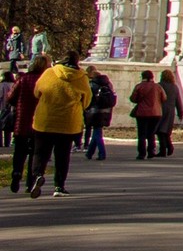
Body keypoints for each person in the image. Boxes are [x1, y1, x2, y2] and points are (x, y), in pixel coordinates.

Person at [28, 51, 91, 197]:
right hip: (68, 123)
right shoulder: (81, 77)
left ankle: (37, 175)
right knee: (62, 155)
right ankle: (59, 186)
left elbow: (37, 92)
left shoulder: (49, 73)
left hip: (45, 121)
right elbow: (86, 101)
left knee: (40, 153)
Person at [7, 56, 43, 191]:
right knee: (35, 152)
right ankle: (31, 181)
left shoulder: (23, 79)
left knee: (19, 151)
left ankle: (16, 175)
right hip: (39, 121)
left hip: (22, 120)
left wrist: (17, 105)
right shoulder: (44, 81)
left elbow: (10, 97)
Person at [82, 66, 116, 160]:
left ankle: (102, 153)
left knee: (97, 133)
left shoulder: (92, 85)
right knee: (97, 130)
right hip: (106, 110)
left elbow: (88, 98)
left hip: (94, 111)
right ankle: (89, 153)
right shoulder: (108, 84)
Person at [130, 70, 165, 160]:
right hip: (156, 113)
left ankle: (141, 153)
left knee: (142, 133)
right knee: (151, 133)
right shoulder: (158, 87)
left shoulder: (139, 86)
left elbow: (133, 98)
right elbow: (164, 98)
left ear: (143, 77)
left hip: (142, 113)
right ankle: (151, 151)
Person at [156, 70, 183, 157]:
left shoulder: (159, 85)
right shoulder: (174, 87)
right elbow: (178, 101)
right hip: (170, 111)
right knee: (166, 130)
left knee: (160, 130)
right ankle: (169, 147)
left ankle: (164, 149)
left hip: (161, 110)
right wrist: (180, 112)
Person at [0, 65, 16, 150]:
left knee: (0, 126)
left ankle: (0, 143)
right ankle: (7, 143)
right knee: (8, 127)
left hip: (3, 108)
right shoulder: (14, 84)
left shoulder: (2, 85)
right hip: (12, 109)